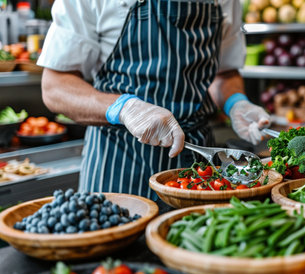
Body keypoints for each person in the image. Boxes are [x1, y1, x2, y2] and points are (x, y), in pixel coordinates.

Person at [37, 0, 270, 211]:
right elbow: (55, 87)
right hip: (118, 162)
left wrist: (236, 102)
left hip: (199, 165)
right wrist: (125, 108)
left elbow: (224, 72)